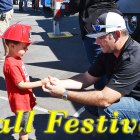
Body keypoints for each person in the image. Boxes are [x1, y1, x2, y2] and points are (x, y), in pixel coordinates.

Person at [43, 12, 140, 140]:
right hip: (128, 96)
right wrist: (59, 83)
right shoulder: (108, 53)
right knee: (90, 103)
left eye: (101, 37)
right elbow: (86, 78)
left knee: (108, 108)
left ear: (116, 34)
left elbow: (105, 99)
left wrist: (64, 94)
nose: (97, 41)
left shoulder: (134, 57)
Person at [0, 24, 48, 140]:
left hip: (24, 100)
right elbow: (21, 84)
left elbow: (24, 79)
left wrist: (31, 94)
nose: (26, 49)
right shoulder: (11, 63)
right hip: (20, 103)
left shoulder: (16, 59)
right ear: (12, 46)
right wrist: (41, 82)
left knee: (26, 126)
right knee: (24, 131)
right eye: (24, 47)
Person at [69, 0, 121, 89]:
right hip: (115, 18)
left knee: (98, 67)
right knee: (117, 60)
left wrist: (68, 9)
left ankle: (104, 95)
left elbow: (75, 4)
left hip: (94, 20)